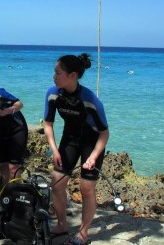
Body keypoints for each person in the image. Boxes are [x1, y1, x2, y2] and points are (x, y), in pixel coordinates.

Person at [43, 53, 109, 245]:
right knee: (57, 183)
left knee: (86, 188)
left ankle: (83, 233)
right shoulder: (53, 93)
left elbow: (104, 133)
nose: (53, 76)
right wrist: (54, 150)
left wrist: (93, 157)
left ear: (73, 75)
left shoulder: (90, 99)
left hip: (92, 142)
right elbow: (48, 123)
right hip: (69, 140)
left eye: (57, 73)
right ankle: (62, 224)